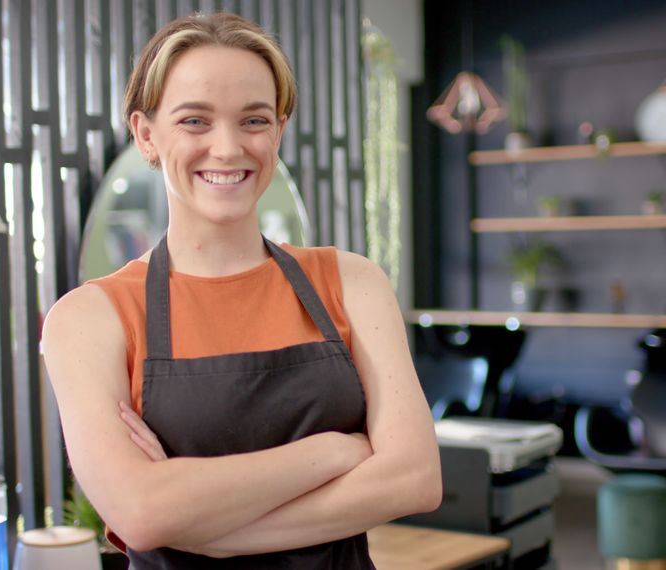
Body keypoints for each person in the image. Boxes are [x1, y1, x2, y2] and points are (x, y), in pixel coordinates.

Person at [41, 12, 441, 568]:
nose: (228, 148)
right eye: (195, 121)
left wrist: (209, 533)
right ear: (147, 136)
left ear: (277, 131)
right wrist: (333, 451)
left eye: (253, 121)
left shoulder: (351, 283)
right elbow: (141, 512)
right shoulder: (89, 318)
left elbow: (415, 479)